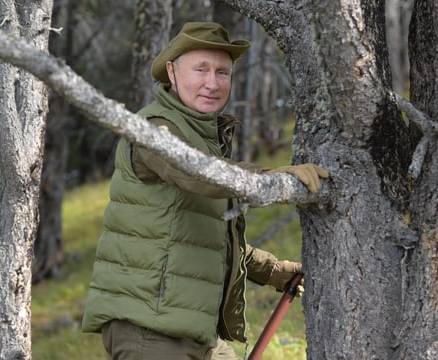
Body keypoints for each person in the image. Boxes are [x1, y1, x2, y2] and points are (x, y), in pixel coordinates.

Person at [81, 22, 329, 359]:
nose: (212, 83)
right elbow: (197, 174)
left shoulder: (203, 137)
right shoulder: (153, 129)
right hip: (149, 329)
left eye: (222, 72)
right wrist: (270, 176)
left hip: (196, 330)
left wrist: (272, 271)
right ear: (172, 71)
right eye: (201, 69)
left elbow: (204, 235)